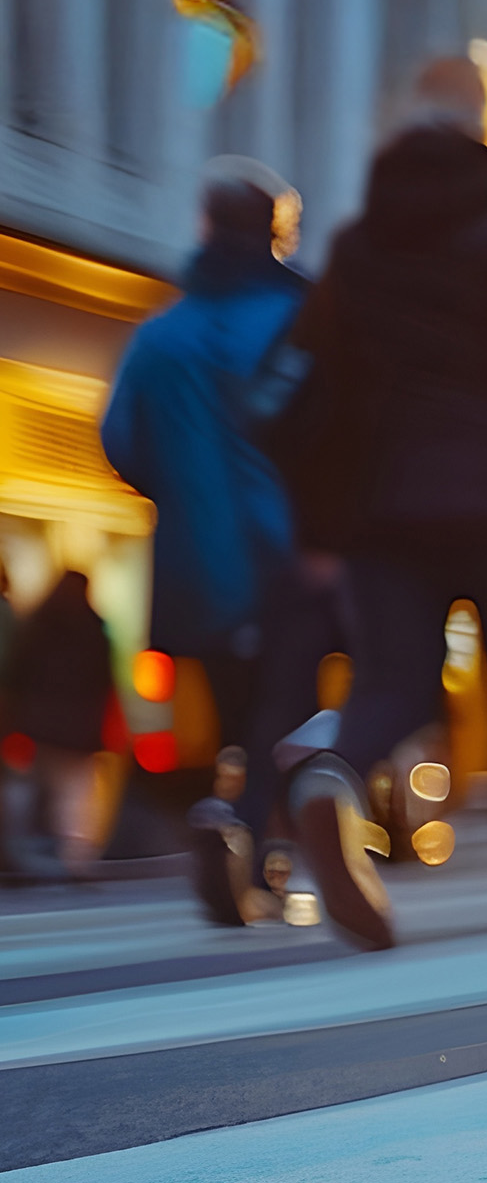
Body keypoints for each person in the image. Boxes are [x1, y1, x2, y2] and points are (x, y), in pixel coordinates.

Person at [272, 60, 487, 947]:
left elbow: (325, 394)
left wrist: (322, 524)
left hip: (388, 509)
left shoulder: (355, 246)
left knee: (396, 683)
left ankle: (335, 775)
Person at [99, 159, 333, 924]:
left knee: (241, 717)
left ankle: (239, 838)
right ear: (277, 231)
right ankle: (246, 842)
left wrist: (183, 492)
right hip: (288, 553)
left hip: (195, 563)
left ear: (204, 227)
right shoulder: (301, 318)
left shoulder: (162, 334)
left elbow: (122, 440)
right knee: (288, 707)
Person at [3, 571, 118, 880]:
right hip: (80, 730)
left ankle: (23, 851)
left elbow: (18, 674)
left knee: (33, 787)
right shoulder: (93, 627)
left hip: (38, 726)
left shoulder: (38, 624)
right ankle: (75, 856)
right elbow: (105, 682)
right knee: (74, 794)